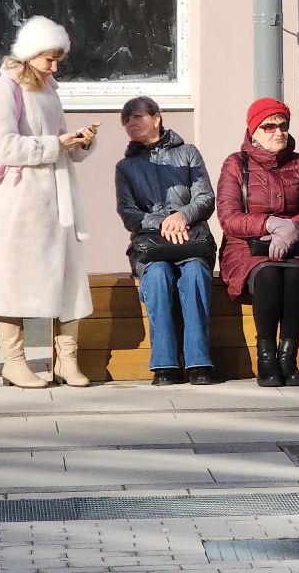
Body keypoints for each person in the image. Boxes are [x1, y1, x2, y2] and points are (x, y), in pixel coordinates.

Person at [0, 15, 98, 389]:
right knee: (15, 279)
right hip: (21, 200)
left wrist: (80, 140)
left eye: (58, 58)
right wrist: (56, 145)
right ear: (30, 54)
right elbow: (2, 146)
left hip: (58, 197)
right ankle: (13, 363)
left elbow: (60, 141)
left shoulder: (49, 87)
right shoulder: (5, 88)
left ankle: (66, 361)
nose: (55, 65)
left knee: (66, 278)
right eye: (49, 58)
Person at [216, 97, 299, 387]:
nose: (278, 132)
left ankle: (288, 357)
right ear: (253, 131)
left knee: (297, 275)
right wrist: (268, 223)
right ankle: (266, 358)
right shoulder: (236, 164)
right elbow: (228, 216)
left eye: (283, 125)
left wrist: (292, 227)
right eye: (269, 126)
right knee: (269, 274)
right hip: (246, 247)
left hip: (293, 245)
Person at [114, 96, 217, 386]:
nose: (131, 124)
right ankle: (165, 365)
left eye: (137, 117)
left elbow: (205, 198)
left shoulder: (188, 153)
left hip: (191, 241)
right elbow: (128, 212)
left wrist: (182, 216)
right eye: (127, 121)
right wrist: (163, 222)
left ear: (156, 118)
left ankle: (199, 363)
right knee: (158, 277)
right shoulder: (126, 167)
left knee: (195, 274)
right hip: (151, 246)